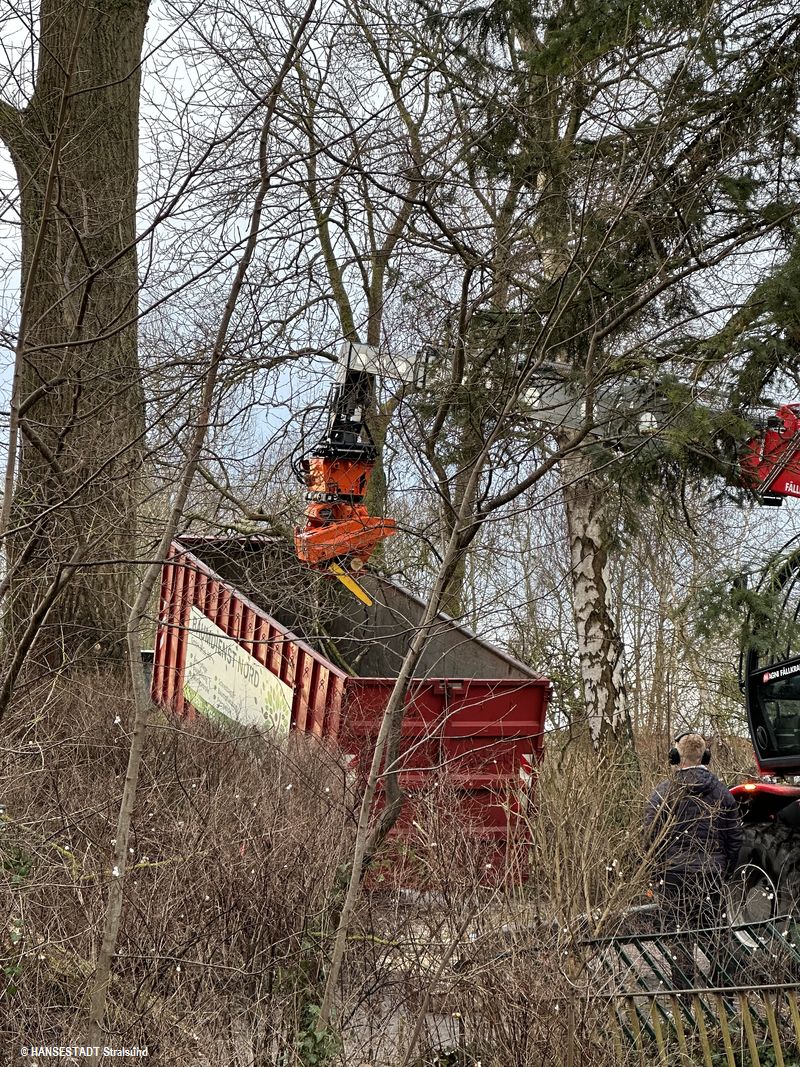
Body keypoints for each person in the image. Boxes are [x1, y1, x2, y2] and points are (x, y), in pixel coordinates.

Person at [644, 731, 743, 989]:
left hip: (673, 876)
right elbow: (734, 839)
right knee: (716, 935)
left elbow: (649, 839)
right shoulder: (722, 793)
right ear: (705, 757)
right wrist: (723, 870)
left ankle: (687, 1003)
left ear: (675, 757)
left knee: (679, 939)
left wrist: (657, 872)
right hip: (711, 875)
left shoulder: (663, 793)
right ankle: (727, 997)